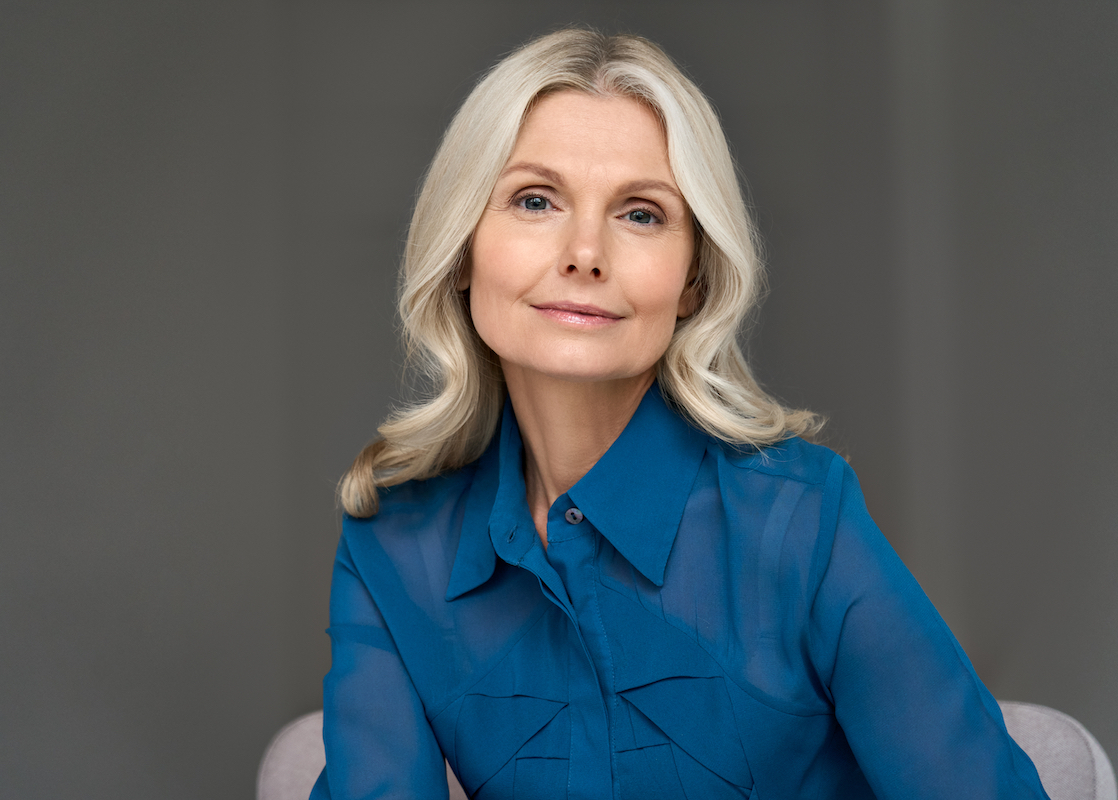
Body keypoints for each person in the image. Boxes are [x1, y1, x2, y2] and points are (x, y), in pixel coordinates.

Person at [312, 29, 1049, 800]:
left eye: (641, 214)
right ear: (464, 249)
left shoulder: (802, 520)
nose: (585, 252)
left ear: (693, 281)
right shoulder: (392, 543)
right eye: (535, 200)